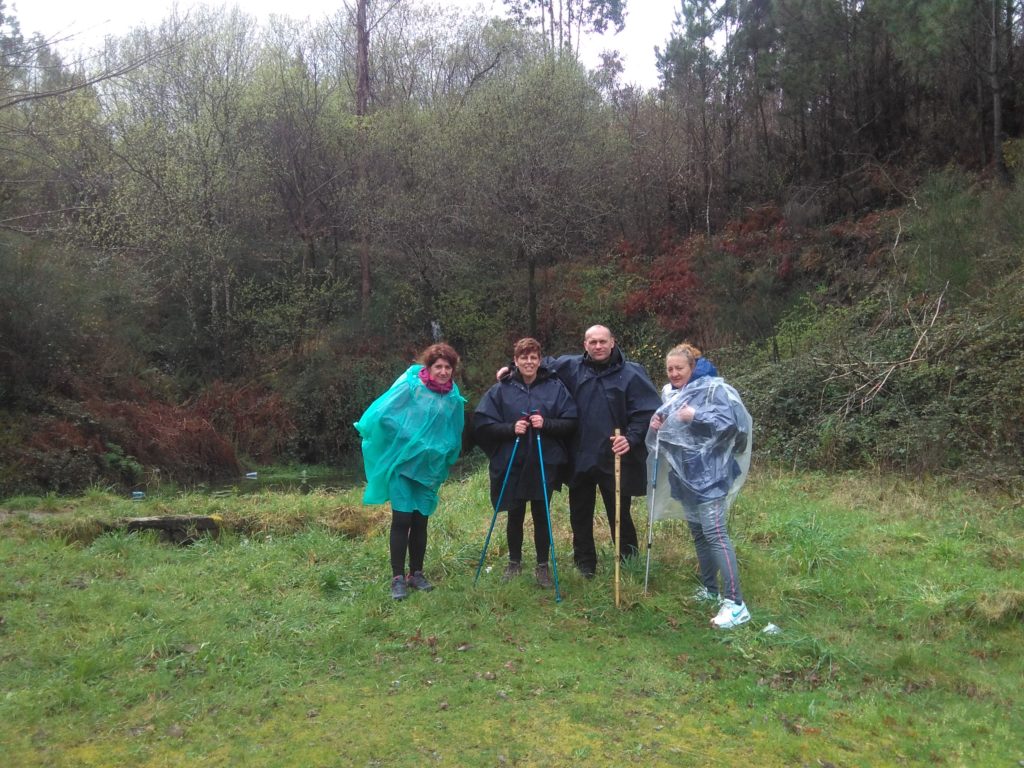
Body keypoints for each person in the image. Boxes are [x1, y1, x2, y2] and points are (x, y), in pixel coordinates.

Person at [501, 325, 662, 578]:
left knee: (620, 512)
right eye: (592, 342)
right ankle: (585, 563)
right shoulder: (570, 366)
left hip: (615, 455)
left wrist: (631, 439)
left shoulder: (632, 374)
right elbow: (536, 363)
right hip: (581, 455)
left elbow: (647, 412)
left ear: (613, 342)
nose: (598, 346)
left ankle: (628, 561)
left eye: (602, 341)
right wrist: (510, 368)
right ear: (585, 345)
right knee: (580, 513)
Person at [648, 343, 753, 629]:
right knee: (698, 534)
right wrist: (659, 424)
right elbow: (675, 437)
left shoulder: (713, 390)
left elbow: (731, 425)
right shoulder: (670, 394)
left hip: (712, 475)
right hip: (684, 478)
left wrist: (696, 416)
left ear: (692, 367)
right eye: (669, 369)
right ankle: (710, 590)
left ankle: (736, 604)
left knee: (716, 534)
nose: (673, 373)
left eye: (679, 368)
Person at [354, 343, 466, 600]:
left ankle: (416, 573)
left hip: (429, 469)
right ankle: (397, 577)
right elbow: (384, 414)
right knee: (402, 519)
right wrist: (409, 438)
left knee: (420, 521)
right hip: (403, 466)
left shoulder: (452, 398)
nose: (443, 371)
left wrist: (443, 451)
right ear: (429, 367)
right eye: (438, 366)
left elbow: (454, 431)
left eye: (448, 367)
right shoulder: (412, 387)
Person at [474, 338, 577, 588]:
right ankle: (514, 562)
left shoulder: (555, 387)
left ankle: (542, 567)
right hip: (513, 462)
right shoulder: (502, 388)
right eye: (524, 357)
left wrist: (547, 424)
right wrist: (511, 428)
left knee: (542, 515)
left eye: (533, 357)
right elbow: (483, 423)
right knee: (515, 514)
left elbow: (571, 420)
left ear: (539, 360)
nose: (529, 362)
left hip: (544, 461)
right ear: (516, 360)